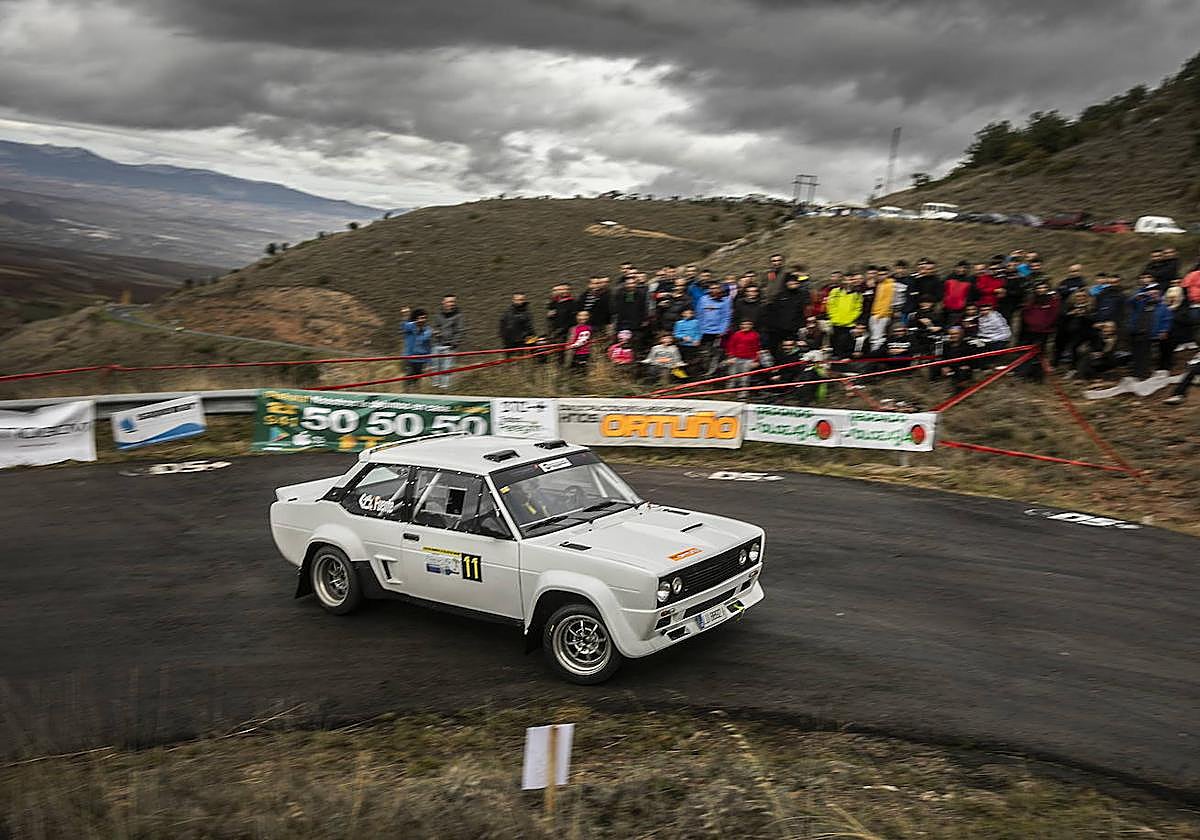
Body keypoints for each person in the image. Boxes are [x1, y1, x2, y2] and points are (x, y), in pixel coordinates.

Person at [1127, 285, 1172, 380]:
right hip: (1136, 331)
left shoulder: (1162, 307)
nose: (1153, 295)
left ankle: (1145, 374)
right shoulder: (1141, 304)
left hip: (1150, 334)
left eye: (1155, 293)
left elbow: (1167, 319)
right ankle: (1136, 373)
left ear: (1160, 294)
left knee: (1147, 354)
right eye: (1151, 294)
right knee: (1136, 353)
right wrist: (1138, 296)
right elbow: (1130, 303)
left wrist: (1164, 330)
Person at [1019, 281, 1059, 381]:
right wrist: (1031, 323)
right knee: (1030, 352)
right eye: (1039, 288)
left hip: (1045, 330)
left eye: (1043, 288)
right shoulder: (1032, 300)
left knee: (1042, 351)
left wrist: (1044, 324)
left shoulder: (1052, 301)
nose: (1041, 290)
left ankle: (1040, 374)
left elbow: (1053, 315)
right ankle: (1026, 372)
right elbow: (1026, 313)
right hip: (1032, 330)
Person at [430, 295, 467, 388]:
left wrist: (454, 343)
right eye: (449, 302)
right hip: (436, 344)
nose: (451, 304)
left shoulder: (459, 316)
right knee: (435, 368)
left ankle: (444, 389)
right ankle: (435, 389)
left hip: (449, 346)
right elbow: (434, 326)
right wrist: (435, 332)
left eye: (453, 302)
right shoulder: (438, 315)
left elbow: (461, 331)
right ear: (443, 303)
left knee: (446, 369)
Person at [696, 282, 734, 373]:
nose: (715, 290)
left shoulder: (726, 300)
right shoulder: (703, 299)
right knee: (704, 352)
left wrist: (723, 329)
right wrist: (699, 329)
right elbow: (699, 314)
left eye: (717, 288)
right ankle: (704, 369)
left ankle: (713, 371)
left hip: (717, 332)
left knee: (716, 353)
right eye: (712, 288)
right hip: (704, 330)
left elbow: (726, 316)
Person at [766, 274, 809, 353]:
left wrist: (802, 326)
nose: (793, 285)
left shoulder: (802, 295)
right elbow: (773, 312)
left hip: (794, 329)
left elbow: (802, 312)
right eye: (791, 283)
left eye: (795, 283)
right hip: (779, 329)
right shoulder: (780, 296)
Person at [825, 277, 863, 357]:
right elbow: (830, 305)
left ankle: (844, 359)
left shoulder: (857, 294)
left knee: (845, 344)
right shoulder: (835, 291)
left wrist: (850, 319)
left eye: (850, 279)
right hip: (835, 322)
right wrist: (833, 317)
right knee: (834, 343)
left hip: (848, 324)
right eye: (845, 280)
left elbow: (858, 309)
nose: (848, 282)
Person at [724, 319, 762, 397]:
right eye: (744, 324)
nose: (746, 326)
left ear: (751, 326)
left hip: (749, 359)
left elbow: (757, 348)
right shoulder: (736, 334)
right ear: (740, 326)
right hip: (736, 358)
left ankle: (743, 392)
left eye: (748, 324)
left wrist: (756, 360)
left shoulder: (755, 335)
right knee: (732, 375)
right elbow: (731, 346)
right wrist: (731, 357)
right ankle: (729, 390)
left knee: (745, 377)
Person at [931, 326, 974, 391]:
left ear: (961, 334)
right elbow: (942, 357)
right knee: (934, 366)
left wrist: (967, 366)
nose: (953, 336)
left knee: (963, 372)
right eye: (951, 334)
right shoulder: (946, 346)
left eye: (955, 334)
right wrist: (944, 366)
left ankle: (960, 391)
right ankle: (934, 386)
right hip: (949, 366)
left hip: (960, 368)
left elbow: (972, 360)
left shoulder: (967, 346)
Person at [1161, 286, 1191, 372]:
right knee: (1164, 351)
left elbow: (1187, 320)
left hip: (1177, 334)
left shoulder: (1183, 307)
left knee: (1171, 352)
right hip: (1165, 333)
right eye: (1170, 298)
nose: (1172, 299)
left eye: (1174, 297)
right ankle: (1164, 367)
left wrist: (1172, 315)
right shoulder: (1164, 307)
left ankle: (1171, 367)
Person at [869, 269, 898, 348]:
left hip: (883, 314)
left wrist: (881, 314)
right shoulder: (879, 285)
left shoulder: (890, 285)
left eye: (884, 274)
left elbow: (888, 301)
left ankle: (876, 353)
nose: (882, 276)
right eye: (880, 274)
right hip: (875, 313)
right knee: (874, 335)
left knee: (878, 336)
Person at [400, 307, 434, 376]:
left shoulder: (428, 330)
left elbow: (428, 347)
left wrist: (429, 363)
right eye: (420, 318)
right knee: (408, 380)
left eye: (424, 318)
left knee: (417, 381)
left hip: (421, 361)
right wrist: (405, 315)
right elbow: (404, 325)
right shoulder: (410, 327)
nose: (422, 320)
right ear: (415, 319)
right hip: (410, 359)